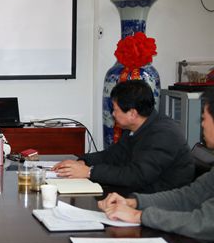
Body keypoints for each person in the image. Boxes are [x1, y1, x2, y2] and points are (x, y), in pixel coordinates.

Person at [97, 88, 214, 242]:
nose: (202, 124)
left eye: (204, 118)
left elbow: (203, 223)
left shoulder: (164, 132)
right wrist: (134, 202)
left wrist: (139, 216)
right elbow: (189, 196)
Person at [53, 80, 194, 193]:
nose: (113, 114)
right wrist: (83, 161)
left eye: (115, 110)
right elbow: (113, 155)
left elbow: (137, 175)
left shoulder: (164, 134)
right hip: (139, 193)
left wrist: (90, 172)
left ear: (132, 113)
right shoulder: (135, 126)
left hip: (160, 202)